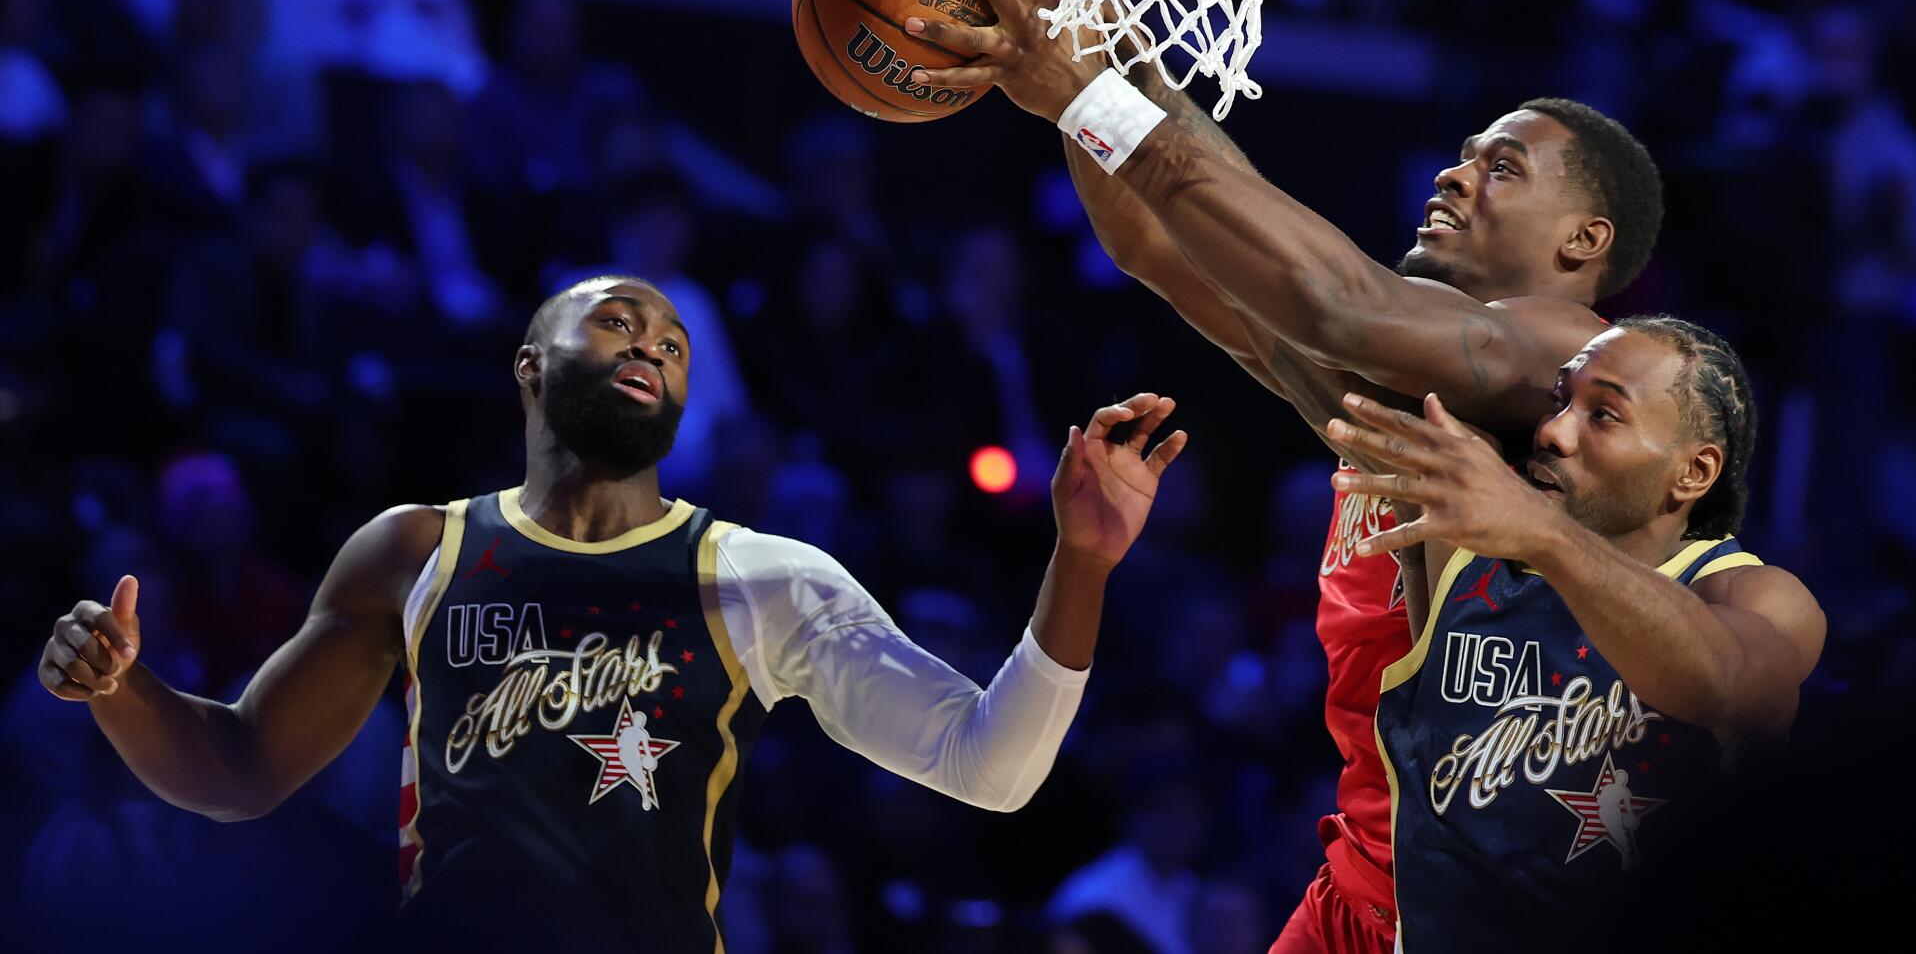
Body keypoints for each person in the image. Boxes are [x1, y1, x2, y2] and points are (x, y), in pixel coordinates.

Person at [926, 0, 1664, 953]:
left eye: (1500, 164)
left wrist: (1080, 86)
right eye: (1462, 151)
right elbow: (1155, 244)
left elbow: (1336, 301)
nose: (1453, 171)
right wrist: (1072, 9)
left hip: (1502, 902)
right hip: (1370, 872)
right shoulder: (1408, 382)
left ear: (1585, 239)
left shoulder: (1556, 360)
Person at [36, 274, 1188, 951]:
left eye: (674, 344)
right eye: (620, 321)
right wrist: (122, 688)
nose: (652, 340)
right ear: (530, 365)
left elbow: (989, 765)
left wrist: (1079, 561)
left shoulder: (761, 576)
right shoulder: (414, 550)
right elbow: (236, 766)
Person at [1322, 316, 1824, 951]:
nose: (1553, 431)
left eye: (1604, 415)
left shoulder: (1752, 594)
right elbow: (1306, 327)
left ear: (1693, 472)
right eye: (1560, 399)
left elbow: (1723, 683)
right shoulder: (1472, 548)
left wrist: (1544, 533)